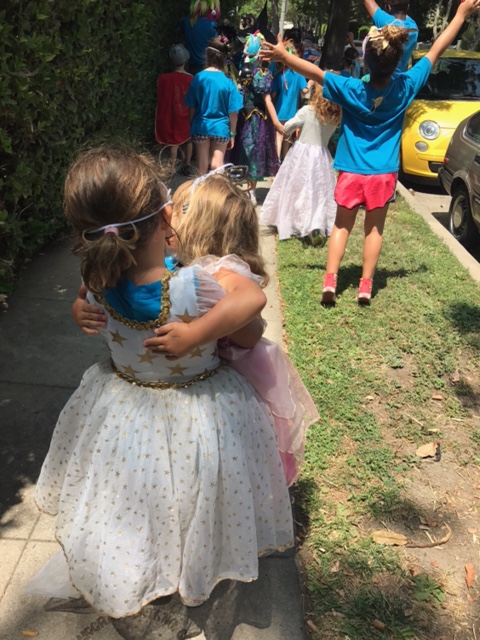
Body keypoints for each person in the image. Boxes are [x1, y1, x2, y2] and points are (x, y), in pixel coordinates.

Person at [28, 146, 294, 619]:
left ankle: (137, 565)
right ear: (167, 215)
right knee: (190, 492)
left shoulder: (98, 276)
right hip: (199, 407)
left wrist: (77, 307)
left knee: (135, 493)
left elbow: (85, 295)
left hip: (122, 406)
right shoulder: (198, 286)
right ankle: (188, 561)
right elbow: (252, 301)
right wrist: (197, 332)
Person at [72, 166, 319, 486]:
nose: (171, 214)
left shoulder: (215, 273)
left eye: (178, 208)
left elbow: (252, 312)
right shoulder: (170, 269)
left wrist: (195, 334)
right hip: (176, 390)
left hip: (219, 376)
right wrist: (80, 306)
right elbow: (89, 289)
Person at [260, 0, 480, 305]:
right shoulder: (405, 86)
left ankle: (330, 281)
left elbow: (316, 72)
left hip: (351, 172)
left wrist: (284, 56)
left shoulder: (351, 89)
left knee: (341, 226)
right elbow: (436, 50)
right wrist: (460, 14)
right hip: (383, 174)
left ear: (365, 60)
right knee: (374, 230)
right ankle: (365, 286)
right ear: (398, 58)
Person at [260, 83, 341, 245]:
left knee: (296, 186)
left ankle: (295, 220)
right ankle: (315, 222)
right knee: (318, 190)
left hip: (302, 153)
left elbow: (289, 126)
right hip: (322, 155)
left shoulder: (307, 111)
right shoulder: (335, 116)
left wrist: (286, 129)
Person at [232, 31, 283, 205]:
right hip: (248, 117)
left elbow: (266, 99)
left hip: (255, 119)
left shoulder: (259, 73)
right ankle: (249, 188)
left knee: (252, 152)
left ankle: (251, 190)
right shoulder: (251, 70)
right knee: (248, 152)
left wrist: (276, 122)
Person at [185, 36, 243, 175]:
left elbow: (192, 107)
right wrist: (232, 133)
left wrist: (192, 126)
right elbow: (233, 113)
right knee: (217, 167)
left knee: (201, 166)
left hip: (201, 126)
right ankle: (216, 189)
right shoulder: (228, 82)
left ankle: (199, 189)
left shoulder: (198, 78)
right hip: (221, 128)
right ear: (224, 58)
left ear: (207, 54)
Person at [155, 44, 194, 177]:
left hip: (170, 114)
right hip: (186, 114)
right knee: (188, 139)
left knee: (173, 143)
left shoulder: (163, 78)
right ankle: (187, 165)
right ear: (186, 60)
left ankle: (171, 168)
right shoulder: (191, 78)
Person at [271, 45, 309, 161]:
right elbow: (304, 91)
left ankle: (276, 160)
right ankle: (285, 160)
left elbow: (273, 95)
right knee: (287, 137)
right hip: (292, 112)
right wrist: (311, 83)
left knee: (278, 136)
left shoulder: (279, 76)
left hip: (279, 111)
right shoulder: (299, 75)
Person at [363, 0, 418, 73]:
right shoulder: (414, 27)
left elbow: (367, 1)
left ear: (389, 7)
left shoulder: (387, 23)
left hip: (381, 77)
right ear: (408, 7)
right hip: (401, 77)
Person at [180, 0, 220, 75]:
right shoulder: (212, 25)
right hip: (207, 66)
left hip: (190, 65)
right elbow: (217, 46)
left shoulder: (186, 21)